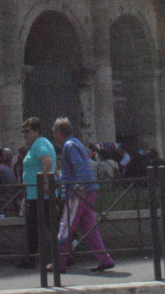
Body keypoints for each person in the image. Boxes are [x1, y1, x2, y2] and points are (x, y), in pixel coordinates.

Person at [52, 117, 115, 273]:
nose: (53, 135)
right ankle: (105, 259)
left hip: (78, 192)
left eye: (54, 132)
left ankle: (59, 262)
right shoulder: (76, 143)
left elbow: (78, 166)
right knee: (89, 227)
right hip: (88, 190)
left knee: (66, 225)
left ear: (59, 133)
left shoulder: (69, 146)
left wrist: (79, 188)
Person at [15, 117, 57, 269]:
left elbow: (47, 162)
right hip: (37, 193)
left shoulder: (39, 144)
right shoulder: (40, 143)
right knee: (48, 226)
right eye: (23, 131)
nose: (24, 134)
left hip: (38, 194)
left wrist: (43, 181)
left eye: (27, 131)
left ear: (36, 131)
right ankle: (62, 253)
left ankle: (32, 257)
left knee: (36, 227)